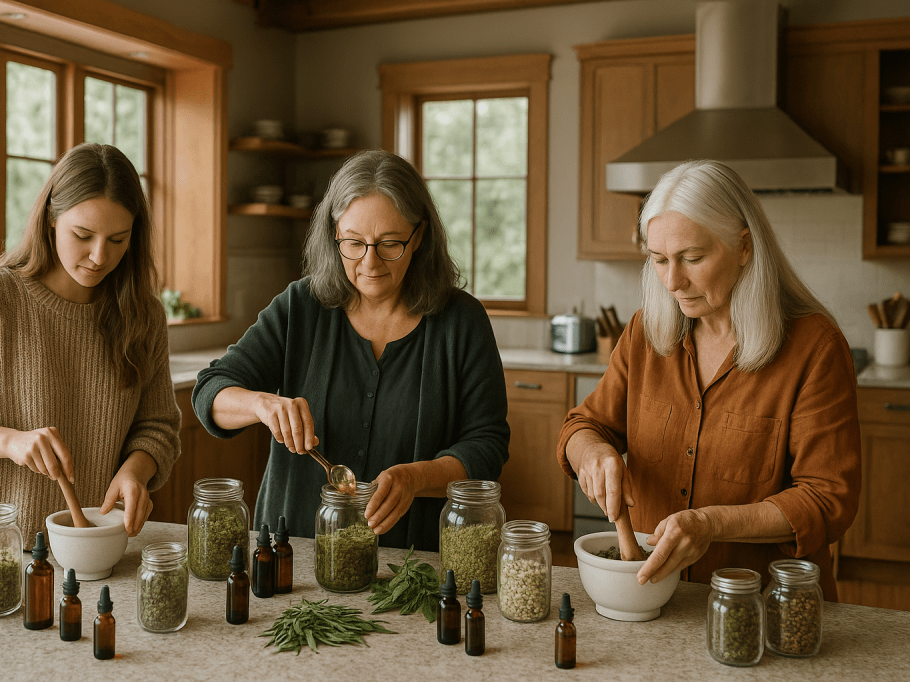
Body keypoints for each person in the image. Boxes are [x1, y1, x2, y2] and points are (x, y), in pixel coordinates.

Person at [558, 159, 860, 600]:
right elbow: (581, 426)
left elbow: (829, 497)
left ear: (743, 247)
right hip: (656, 599)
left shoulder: (815, 347)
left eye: (692, 258)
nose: (673, 282)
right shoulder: (645, 332)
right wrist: (594, 454)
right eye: (659, 260)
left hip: (765, 607)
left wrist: (711, 523)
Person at [192, 149, 510, 551]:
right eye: (354, 243)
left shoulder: (461, 322)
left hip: (411, 565)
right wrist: (262, 405)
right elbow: (209, 391)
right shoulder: (300, 307)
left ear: (420, 236)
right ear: (334, 233)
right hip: (295, 553)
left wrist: (417, 478)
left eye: (390, 243)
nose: (370, 262)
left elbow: (487, 446)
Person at [0, 143, 181, 572]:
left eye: (118, 239)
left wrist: (136, 472)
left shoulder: (143, 316)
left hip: (88, 556)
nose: (99, 256)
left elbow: (158, 426)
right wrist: (11, 441)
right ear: (51, 218)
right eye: (82, 235)